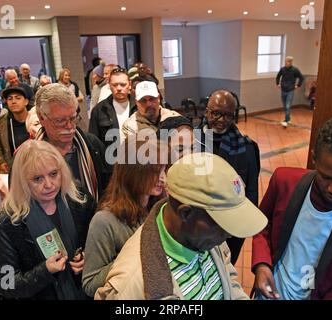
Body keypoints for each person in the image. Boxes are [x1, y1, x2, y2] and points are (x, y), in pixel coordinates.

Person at [252, 106, 332, 300]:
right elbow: (261, 225)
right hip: (270, 293)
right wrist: (262, 264)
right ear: (314, 158)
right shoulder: (283, 181)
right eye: (326, 177)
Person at [95, 152, 267, 300]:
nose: (228, 234)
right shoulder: (131, 285)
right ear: (185, 213)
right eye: (222, 222)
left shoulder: (207, 237)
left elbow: (228, 279)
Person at [0, 140, 87, 299]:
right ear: (22, 181)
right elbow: (5, 283)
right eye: (37, 179)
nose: (49, 184)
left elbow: (95, 242)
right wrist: (45, 271)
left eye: (53, 174)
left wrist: (87, 257)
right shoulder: (9, 221)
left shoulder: (77, 198)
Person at [82, 138, 166, 297]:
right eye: (155, 173)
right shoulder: (104, 221)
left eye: (164, 170)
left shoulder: (159, 206)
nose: (163, 178)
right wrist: (131, 258)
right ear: (134, 172)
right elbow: (90, 283)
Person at [196, 90, 260, 264]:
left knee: (226, 267)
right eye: (216, 113)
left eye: (228, 115)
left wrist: (243, 225)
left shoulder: (246, 148)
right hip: (197, 223)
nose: (222, 120)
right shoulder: (190, 142)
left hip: (231, 226)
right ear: (206, 111)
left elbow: (251, 191)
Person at [35, 83, 111, 226]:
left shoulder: (92, 145)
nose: (69, 126)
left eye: (73, 118)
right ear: (41, 117)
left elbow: (111, 188)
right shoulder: (27, 158)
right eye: (60, 121)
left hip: (93, 227)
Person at [89, 67, 137, 149]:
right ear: (109, 85)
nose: (119, 88)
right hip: (111, 158)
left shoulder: (139, 106)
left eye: (123, 85)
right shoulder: (99, 110)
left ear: (129, 84)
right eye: (115, 85)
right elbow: (93, 142)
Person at [0, 87, 30, 173]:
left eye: (18, 98)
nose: (13, 101)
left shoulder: (36, 118)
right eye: (10, 98)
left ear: (26, 101)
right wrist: (1, 160)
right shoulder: (3, 121)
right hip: (14, 168)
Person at [275, 56, 304, 127]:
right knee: (285, 106)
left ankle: (286, 120)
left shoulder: (295, 70)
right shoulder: (282, 69)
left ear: (291, 62)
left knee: (288, 106)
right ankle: (288, 118)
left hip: (290, 90)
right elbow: (278, 77)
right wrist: (278, 84)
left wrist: (298, 85)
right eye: (285, 61)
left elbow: (301, 77)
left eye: (287, 61)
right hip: (283, 90)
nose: (286, 63)